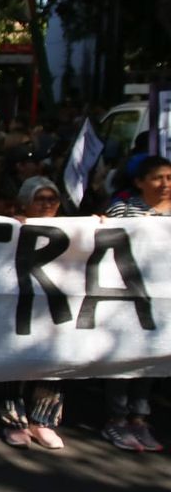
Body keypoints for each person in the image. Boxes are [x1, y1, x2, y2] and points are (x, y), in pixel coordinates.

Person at [101, 155, 171, 452]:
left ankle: (139, 418)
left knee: (153, 357)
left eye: (169, 178)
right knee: (125, 356)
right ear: (140, 182)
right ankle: (116, 419)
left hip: (164, 300)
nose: (165, 184)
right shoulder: (124, 209)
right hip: (127, 297)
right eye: (157, 178)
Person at [0, 176, 67, 450]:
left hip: (53, 309)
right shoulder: (10, 226)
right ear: (25, 202)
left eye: (52, 199)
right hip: (16, 307)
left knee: (53, 361)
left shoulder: (75, 229)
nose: (47, 204)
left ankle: (42, 421)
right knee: (13, 360)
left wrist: (100, 224)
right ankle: (14, 421)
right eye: (40, 199)